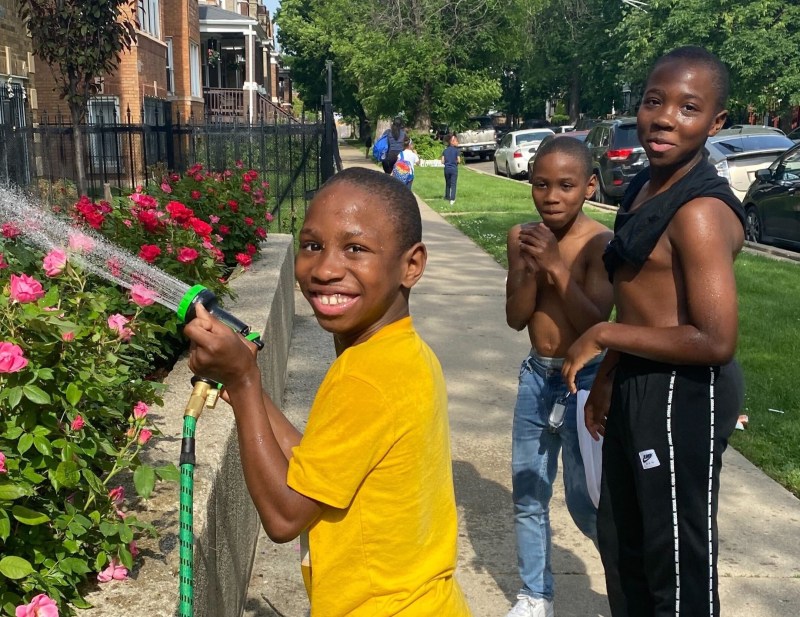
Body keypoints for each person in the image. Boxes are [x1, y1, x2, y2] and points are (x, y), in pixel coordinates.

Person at [184, 167, 472, 617]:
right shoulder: (403, 352)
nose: (325, 269)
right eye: (312, 246)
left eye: (355, 248)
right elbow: (319, 466)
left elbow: (285, 517)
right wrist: (244, 381)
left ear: (411, 265)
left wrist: (242, 381)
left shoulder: (363, 377)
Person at [562, 46, 745, 617]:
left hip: (682, 393)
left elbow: (714, 340)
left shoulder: (699, 212)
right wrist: (610, 378)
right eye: (653, 101)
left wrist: (604, 338)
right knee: (624, 545)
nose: (664, 118)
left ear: (715, 123)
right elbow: (641, 303)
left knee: (676, 562)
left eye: (688, 108)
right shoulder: (644, 186)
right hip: (637, 381)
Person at [504, 137, 614, 617]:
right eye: (541, 184)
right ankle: (536, 595)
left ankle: (628, 584)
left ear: (589, 187)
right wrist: (532, 268)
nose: (551, 197)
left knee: (586, 501)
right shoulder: (521, 237)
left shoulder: (599, 243)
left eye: (566, 186)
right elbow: (516, 317)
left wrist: (555, 265)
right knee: (529, 492)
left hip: (583, 382)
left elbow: (596, 325)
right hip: (536, 376)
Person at [441, 134, 461, 205]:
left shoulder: (445, 151)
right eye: (456, 141)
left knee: (448, 183)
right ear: (452, 142)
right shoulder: (456, 151)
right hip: (453, 169)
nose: (457, 142)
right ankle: (452, 199)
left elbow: (442, 161)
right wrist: (455, 161)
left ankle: (447, 196)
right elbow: (459, 160)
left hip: (446, 169)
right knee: (453, 184)